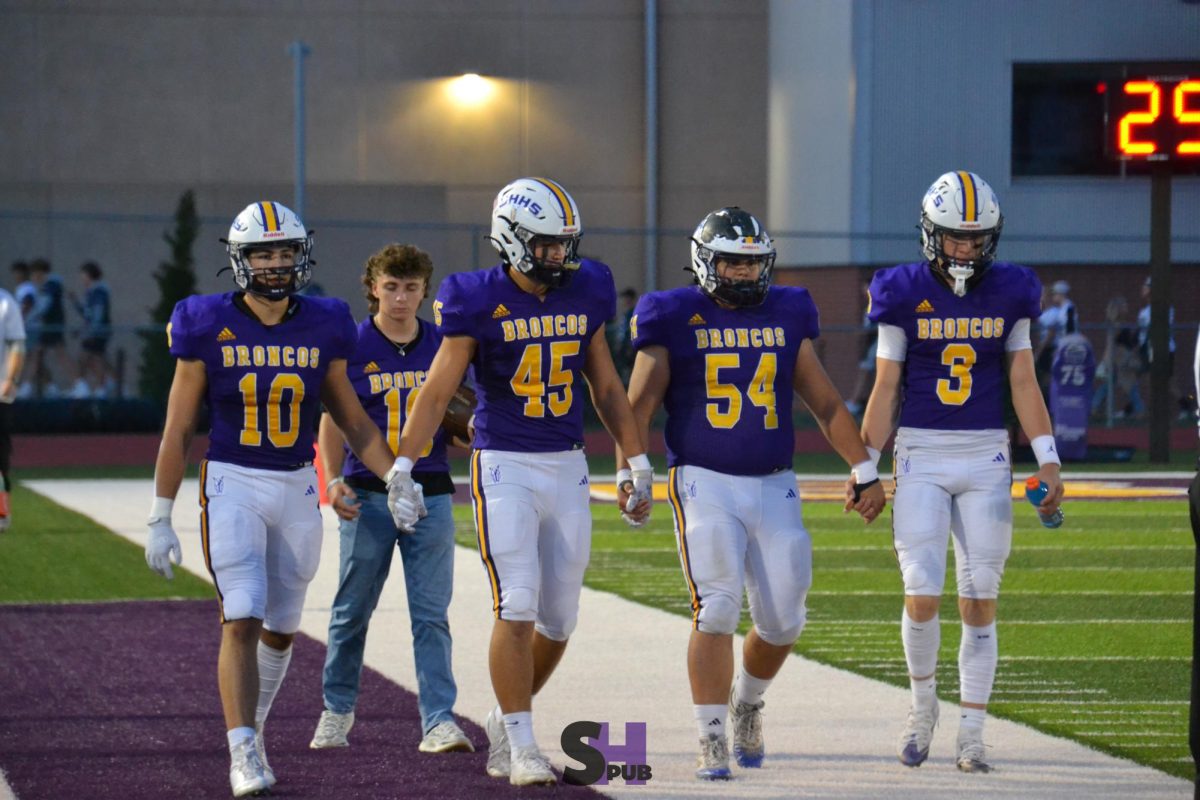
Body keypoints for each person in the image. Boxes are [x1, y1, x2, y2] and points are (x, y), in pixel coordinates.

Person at [142, 201, 413, 798]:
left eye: (285, 252)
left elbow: (354, 420)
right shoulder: (204, 321)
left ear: (301, 256)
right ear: (240, 261)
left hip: (296, 483)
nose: (275, 264)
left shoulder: (324, 321)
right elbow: (177, 428)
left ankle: (253, 729)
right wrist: (161, 514)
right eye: (263, 253)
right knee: (241, 611)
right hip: (233, 478)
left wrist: (397, 475)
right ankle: (242, 750)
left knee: (284, 625)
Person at [387, 177, 652, 787]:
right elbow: (434, 390)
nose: (559, 257)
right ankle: (524, 743)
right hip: (503, 461)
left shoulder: (588, 288)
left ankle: (506, 719)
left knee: (560, 619)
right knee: (518, 602)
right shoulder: (474, 298)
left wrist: (635, 458)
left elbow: (607, 387)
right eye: (546, 245)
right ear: (510, 240)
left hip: (568, 462)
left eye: (564, 245)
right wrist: (403, 463)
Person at [617, 207, 885, 781]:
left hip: (774, 480)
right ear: (704, 262)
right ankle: (710, 734)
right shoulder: (670, 312)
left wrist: (863, 466)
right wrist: (630, 471)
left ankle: (747, 703)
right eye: (731, 262)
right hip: (702, 477)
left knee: (785, 620)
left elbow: (828, 404)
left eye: (752, 263)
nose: (742, 273)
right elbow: (635, 407)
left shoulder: (789, 310)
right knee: (715, 608)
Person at [859, 171, 1063, 774]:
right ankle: (923, 709)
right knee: (922, 593)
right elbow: (886, 386)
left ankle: (972, 731)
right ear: (931, 234)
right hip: (921, 451)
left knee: (980, 597)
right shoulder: (901, 292)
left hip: (986, 455)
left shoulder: (1012, 292)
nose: (966, 250)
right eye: (955, 238)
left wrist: (1048, 457)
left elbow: (1023, 380)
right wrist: (864, 464)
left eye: (976, 239)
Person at [310, 243, 473, 755]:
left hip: (431, 490)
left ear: (425, 291)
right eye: (391, 286)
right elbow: (335, 419)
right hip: (369, 493)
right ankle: (336, 711)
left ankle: (439, 719)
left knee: (431, 614)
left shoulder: (445, 344)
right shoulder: (354, 344)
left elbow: (464, 421)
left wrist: (467, 425)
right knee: (351, 611)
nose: (401, 298)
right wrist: (333, 479)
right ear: (372, 286)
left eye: (411, 287)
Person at [27, 259, 77, 397]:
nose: (32, 278)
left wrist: (29, 319)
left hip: (51, 326)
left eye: (33, 274)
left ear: (40, 273)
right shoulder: (53, 285)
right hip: (52, 325)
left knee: (51, 354)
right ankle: (74, 385)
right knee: (42, 354)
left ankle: (27, 387)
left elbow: (43, 306)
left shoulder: (50, 285)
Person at [1091, 296, 1143, 419]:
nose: (1126, 308)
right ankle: (1139, 409)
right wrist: (1105, 360)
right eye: (1124, 306)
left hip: (1122, 358)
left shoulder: (1120, 324)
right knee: (1130, 385)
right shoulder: (1117, 325)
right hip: (1120, 359)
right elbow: (1111, 343)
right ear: (1119, 308)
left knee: (1111, 383)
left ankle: (1095, 406)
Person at [0, 284, 26, 530]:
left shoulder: (5, 303)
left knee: (0, 454)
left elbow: (17, 345)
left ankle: (1, 508)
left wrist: (10, 379)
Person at [69, 261, 115, 398]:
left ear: (89, 275)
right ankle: (106, 383)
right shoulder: (93, 292)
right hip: (95, 331)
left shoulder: (98, 292)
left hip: (97, 332)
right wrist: (75, 302)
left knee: (87, 358)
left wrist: (90, 331)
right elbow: (87, 313)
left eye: (83, 275)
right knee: (95, 359)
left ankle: (93, 386)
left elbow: (96, 315)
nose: (82, 279)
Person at [1034, 280, 1077, 395]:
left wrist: (1039, 351)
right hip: (1047, 348)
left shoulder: (1055, 312)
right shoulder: (1045, 313)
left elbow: (1050, 334)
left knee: (1047, 377)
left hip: (1050, 348)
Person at [846, 279, 879, 416]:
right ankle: (858, 402)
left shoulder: (879, 305)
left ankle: (855, 402)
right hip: (871, 344)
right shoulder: (869, 306)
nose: (864, 292)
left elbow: (876, 327)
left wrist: (865, 333)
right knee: (866, 371)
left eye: (867, 288)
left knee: (869, 372)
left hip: (878, 343)